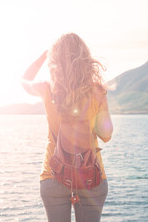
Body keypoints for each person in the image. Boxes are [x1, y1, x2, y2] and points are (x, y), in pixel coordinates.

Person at [20, 33, 113, 222]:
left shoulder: (47, 89)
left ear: (55, 61)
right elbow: (106, 135)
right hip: (91, 177)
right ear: (85, 59)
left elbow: (24, 81)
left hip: (53, 174)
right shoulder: (97, 91)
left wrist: (42, 57)